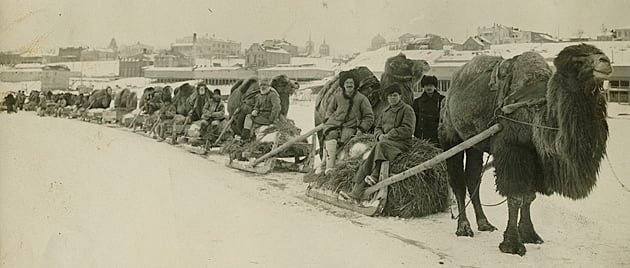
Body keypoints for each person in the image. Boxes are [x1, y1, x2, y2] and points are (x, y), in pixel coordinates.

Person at [340, 84, 416, 202]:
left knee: (380, 146)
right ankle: (357, 190)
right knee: (372, 153)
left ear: (400, 96)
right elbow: (377, 127)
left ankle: (373, 176)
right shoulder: (385, 111)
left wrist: (388, 136)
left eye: (395, 96)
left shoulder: (407, 110)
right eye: (390, 96)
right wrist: (379, 135)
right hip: (385, 142)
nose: (392, 98)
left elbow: (407, 129)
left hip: (401, 143)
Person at [319, 72, 374, 175]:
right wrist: (329, 121)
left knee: (346, 140)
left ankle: (340, 166)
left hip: (351, 126)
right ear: (343, 85)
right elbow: (330, 110)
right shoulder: (337, 97)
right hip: (335, 124)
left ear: (355, 85)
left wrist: (361, 129)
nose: (349, 85)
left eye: (351, 83)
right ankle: (327, 166)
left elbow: (369, 116)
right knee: (331, 136)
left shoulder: (361, 99)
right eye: (347, 82)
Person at [412, 75, 444, 145]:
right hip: (423, 136)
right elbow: (414, 119)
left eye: (431, 85)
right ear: (423, 86)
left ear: (435, 86)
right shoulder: (417, 102)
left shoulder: (442, 100)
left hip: (438, 135)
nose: (429, 87)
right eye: (426, 85)